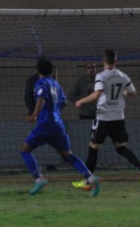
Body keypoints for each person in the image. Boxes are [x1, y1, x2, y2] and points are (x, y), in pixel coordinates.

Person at [73, 49, 140, 188]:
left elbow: (97, 94)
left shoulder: (101, 76)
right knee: (121, 147)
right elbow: (133, 93)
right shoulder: (123, 76)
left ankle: (88, 181)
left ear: (103, 60)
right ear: (116, 60)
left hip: (103, 117)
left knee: (93, 146)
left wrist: (81, 101)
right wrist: (124, 93)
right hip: (118, 117)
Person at [21, 57, 99, 196]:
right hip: (58, 125)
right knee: (68, 155)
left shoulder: (41, 82)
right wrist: (54, 110)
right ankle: (90, 177)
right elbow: (64, 102)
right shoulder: (55, 83)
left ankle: (38, 178)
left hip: (45, 124)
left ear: (38, 70)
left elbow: (40, 98)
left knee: (25, 150)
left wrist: (34, 115)